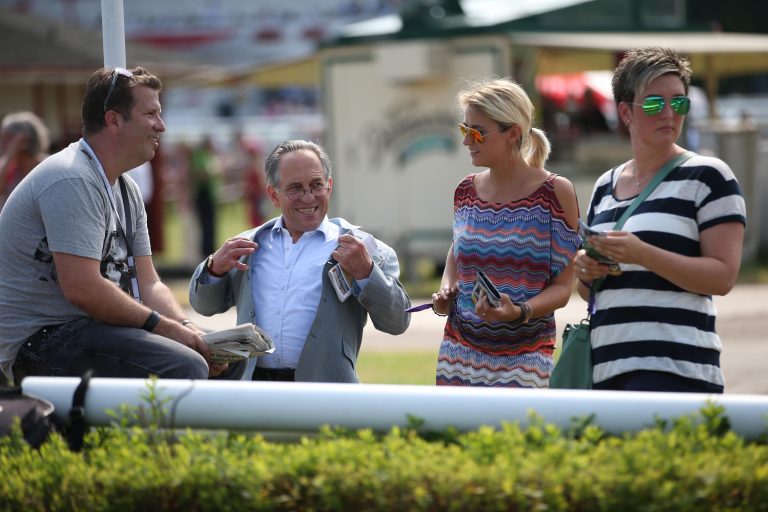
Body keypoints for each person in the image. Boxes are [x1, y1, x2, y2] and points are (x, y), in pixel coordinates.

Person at [0, 66, 228, 386]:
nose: (161, 125)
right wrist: (164, 328)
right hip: (41, 341)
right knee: (185, 365)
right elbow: (83, 289)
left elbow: (148, 284)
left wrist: (185, 327)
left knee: (223, 357)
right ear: (114, 120)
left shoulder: (126, 188)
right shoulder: (71, 177)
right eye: (150, 114)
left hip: (91, 330)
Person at [573, 47, 746, 393]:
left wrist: (642, 254)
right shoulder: (605, 185)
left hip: (676, 368)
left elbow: (723, 277)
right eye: (654, 104)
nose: (669, 113)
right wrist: (585, 270)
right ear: (625, 112)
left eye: (679, 102)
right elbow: (590, 291)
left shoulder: (709, 175)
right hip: (606, 368)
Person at [188, 139, 411, 383]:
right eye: (295, 188)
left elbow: (397, 322)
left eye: (316, 185)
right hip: (254, 391)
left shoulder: (362, 249)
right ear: (274, 195)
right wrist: (214, 269)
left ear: (329, 186)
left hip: (327, 394)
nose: (308, 197)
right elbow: (203, 306)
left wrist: (366, 272)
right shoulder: (249, 245)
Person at [431, 78, 581, 387]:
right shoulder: (465, 190)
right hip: (458, 354)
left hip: (525, 357)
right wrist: (446, 289)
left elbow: (564, 288)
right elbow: (457, 251)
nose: (467, 141)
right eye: (464, 129)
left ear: (513, 133)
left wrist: (520, 312)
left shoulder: (555, 192)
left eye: (477, 132)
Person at [0, 111, 50, 209]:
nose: (2, 143)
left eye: (7, 138)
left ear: (24, 139)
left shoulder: (47, 165)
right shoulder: (8, 167)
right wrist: (9, 156)